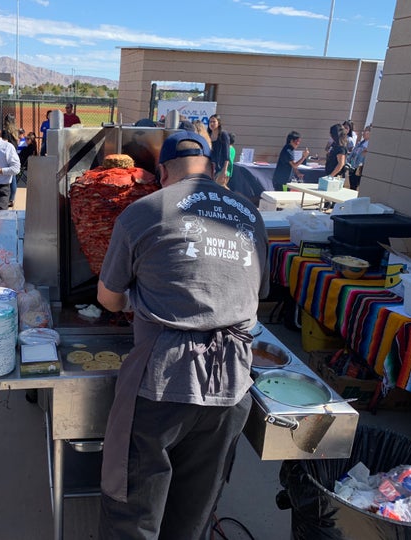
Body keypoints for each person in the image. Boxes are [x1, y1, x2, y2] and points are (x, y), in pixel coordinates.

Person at [97, 130, 269, 540]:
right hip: (231, 388)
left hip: (163, 384)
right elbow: (256, 294)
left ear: (161, 173)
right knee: (191, 516)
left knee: (134, 514)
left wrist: (135, 302)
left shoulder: (145, 211)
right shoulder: (250, 213)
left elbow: (108, 298)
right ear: (213, 169)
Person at [207, 113, 231, 186]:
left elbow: (226, 154)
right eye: (210, 122)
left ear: (219, 123)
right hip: (209, 166)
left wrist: (224, 170)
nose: (212, 124)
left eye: (214, 122)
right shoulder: (208, 134)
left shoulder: (223, 134)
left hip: (220, 167)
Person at [1, 114, 19, 207]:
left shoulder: (5, 132)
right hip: (14, 155)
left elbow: (4, 144)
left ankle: (9, 199)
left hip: (8, 156)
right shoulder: (15, 131)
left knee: (10, 179)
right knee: (13, 178)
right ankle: (11, 198)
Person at [346, 124, 370, 190]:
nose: (363, 133)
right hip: (352, 166)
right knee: (351, 184)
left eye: (366, 131)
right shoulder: (361, 143)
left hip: (359, 168)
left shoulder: (369, 145)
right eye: (364, 131)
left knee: (354, 185)